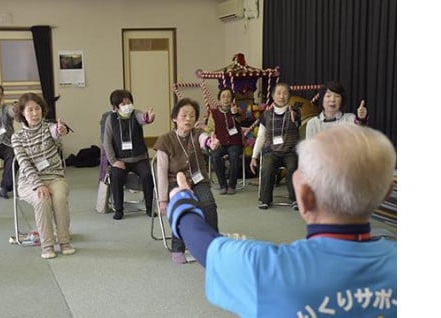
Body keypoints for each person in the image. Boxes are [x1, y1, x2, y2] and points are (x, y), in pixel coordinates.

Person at [166, 123, 397, 317]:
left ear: (304, 198)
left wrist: (182, 204)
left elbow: (207, 247)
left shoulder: (269, 268)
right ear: (386, 193)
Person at [153, 97, 221, 264]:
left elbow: (204, 139)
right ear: (175, 118)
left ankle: (213, 244)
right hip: (174, 182)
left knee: (208, 204)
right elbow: (161, 172)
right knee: (183, 207)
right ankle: (178, 247)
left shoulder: (196, 134)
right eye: (184, 115)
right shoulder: (165, 140)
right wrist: (162, 200)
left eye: (192, 115)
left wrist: (210, 142)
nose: (189, 119)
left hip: (198, 180)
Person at [11, 92, 75, 259]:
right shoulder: (16, 138)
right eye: (30, 110)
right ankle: (47, 245)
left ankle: (64, 241)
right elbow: (24, 165)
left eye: (37, 108)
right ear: (23, 114)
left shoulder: (49, 128)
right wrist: (38, 184)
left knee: (59, 197)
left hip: (54, 177)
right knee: (42, 199)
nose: (35, 113)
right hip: (29, 181)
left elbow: (57, 132)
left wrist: (61, 129)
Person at [102, 89, 155, 220]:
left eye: (129, 102)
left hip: (139, 158)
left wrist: (148, 118)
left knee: (147, 175)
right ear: (115, 107)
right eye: (123, 104)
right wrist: (114, 161)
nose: (128, 106)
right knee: (116, 177)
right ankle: (119, 210)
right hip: (120, 160)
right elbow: (106, 142)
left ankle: (149, 207)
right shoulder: (110, 119)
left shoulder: (135, 113)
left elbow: (143, 118)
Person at [249, 82, 301, 210]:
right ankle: (265, 199)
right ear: (273, 96)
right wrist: (254, 157)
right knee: (267, 167)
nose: (281, 96)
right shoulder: (266, 115)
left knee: (292, 167)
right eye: (278, 93)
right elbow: (261, 136)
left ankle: (295, 199)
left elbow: (297, 122)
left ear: (289, 96)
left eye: (285, 93)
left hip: (290, 151)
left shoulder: (294, 111)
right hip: (271, 151)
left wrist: (295, 118)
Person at [206, 87, 243, 195]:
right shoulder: (214, 113)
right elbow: (210, 129)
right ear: (219, 99)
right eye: (223, 96)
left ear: (232, 99)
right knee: (215, 155)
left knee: (234, 155)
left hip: (234, 142)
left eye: (228, 96)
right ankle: (223, 185)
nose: (226, 99)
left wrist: (235, 114)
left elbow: (241, 122)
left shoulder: (237, 110)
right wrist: (212, 135)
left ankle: (232, 185)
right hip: (219, 142)